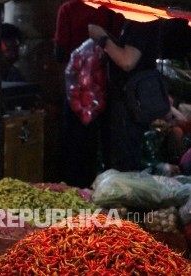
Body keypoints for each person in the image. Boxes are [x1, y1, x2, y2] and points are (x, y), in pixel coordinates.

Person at [88, 17, 191, 172]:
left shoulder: (141, 21)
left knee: (125, 163)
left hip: (130, 101)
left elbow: (127, 61)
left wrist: (102, 38)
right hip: (134, 100)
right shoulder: (143, 20)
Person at [53, 0, 125, 188]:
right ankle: (105, 194)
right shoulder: (114, 10)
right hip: (106, 92)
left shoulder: (68, 8)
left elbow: (59, 53)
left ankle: (75, 193)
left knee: (75, 148)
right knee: (109, 148)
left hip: (77, 93)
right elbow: (119, 45)